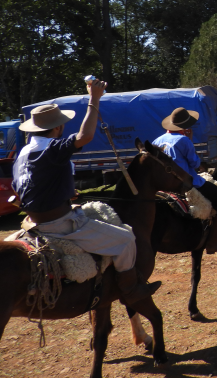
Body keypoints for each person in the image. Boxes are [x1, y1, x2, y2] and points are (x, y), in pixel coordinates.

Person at [12, 80, 159, 303]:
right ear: (58, 127)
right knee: (127, 238)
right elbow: (85, 136)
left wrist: (62, 192)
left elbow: (24, 187)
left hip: (32, 221)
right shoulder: (52, 148)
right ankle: (130, 290)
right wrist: (94, 98)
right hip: (59, 224)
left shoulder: (23, 154)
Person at [154, 107, 217, 254]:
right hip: (188, 183)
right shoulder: (184, 140)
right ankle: (213, 243)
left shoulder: (157, 140)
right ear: (185, 127)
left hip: (165, 184)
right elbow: (195, 164)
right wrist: (190, 141)